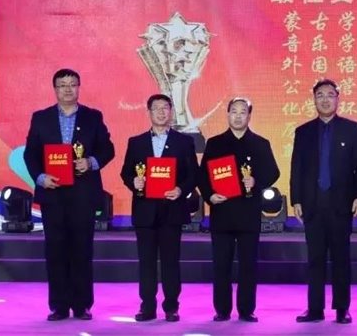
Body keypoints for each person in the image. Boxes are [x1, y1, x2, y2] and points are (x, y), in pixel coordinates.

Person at [23, 68, 115, 321]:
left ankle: (82, 305)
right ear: (55, 89)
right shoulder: (41, 118)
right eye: (62, 85)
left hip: (83, 194)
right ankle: (59, 306)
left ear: (78, 87)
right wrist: (40, 177)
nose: (67, 89)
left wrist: (91, 162)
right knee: (55, 250)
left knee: (82, 249)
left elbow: (108, 149)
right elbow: (31, 154)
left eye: (72, 84)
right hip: (52, 193)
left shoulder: (93, 117)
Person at [290, 79, 357, 324]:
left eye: (330, 95)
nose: (325, 99)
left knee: (341, 258)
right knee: (315, 259)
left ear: (338, 99)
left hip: (341, 204)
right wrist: (296, 199)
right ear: (314, 100)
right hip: (312, 204)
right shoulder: (303, 131)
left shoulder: (352, 129)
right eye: (320, 95)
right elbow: (297, 167)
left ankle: (342, 308)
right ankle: (315, 309)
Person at [198, 97, 280, 323]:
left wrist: (256, 181)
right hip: (222, 212)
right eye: (233, 111)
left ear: (249, 116)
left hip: (248, 213)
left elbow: (274, 172)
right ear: (227, 115)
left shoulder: (260, 143)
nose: (237, 116)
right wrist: (209, 195)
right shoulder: (215, 143)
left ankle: (246, 310)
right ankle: (222, 310)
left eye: (242, 112)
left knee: (248, 266)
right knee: (221, 265)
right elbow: (202, 175)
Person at [120, 94, 199, 322]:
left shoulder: (184, 142)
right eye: (156, 108)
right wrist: (134, 182)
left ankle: (171, 306)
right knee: (146, 262)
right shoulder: (136, 142)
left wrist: (181, 189)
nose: (162, 112)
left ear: (171, 111)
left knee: (170, 262)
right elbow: (126, 172)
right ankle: (147, 306)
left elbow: (194, 174)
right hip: (145, 211)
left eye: (166, 108)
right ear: (149, 112)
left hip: (172, 211)